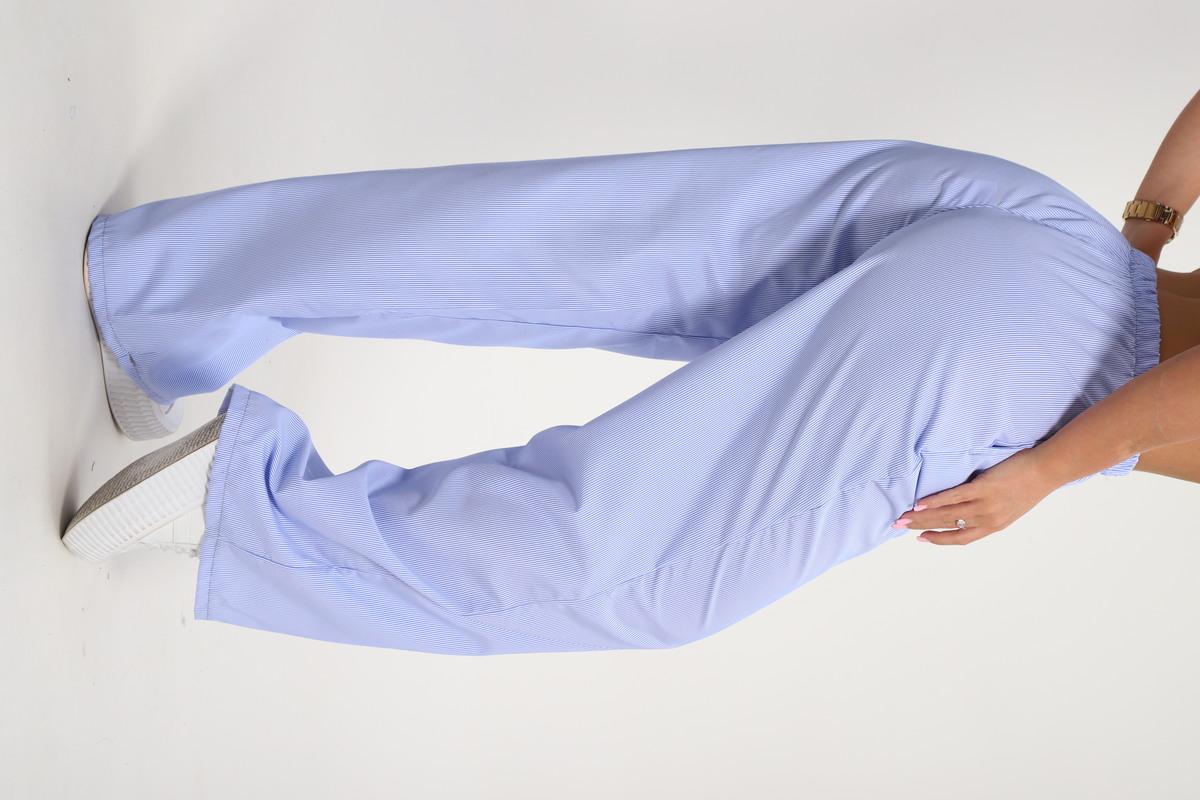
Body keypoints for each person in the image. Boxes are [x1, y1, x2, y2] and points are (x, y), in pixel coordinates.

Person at [62, 91, 1199, 655]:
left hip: (1038, 238)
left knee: (574, 246)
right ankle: (241, 507)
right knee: (638, 567)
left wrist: (1145, 232)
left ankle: (170, 287)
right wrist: (1050, 468)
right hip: (1044, 371)